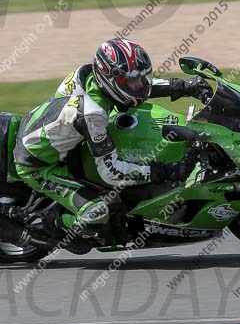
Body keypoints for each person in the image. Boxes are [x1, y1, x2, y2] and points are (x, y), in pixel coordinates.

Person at [13, 38, 211, 245]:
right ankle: (56, 223)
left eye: (142, 77)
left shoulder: (87, 74)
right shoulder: (93, 114)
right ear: (110, 78)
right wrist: (162, 171)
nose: (140, 85)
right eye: (132, 80)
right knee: (98, 212)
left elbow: (136, 89)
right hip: (39, 165)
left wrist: (184, 87)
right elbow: (111, 172)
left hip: (54, 136)